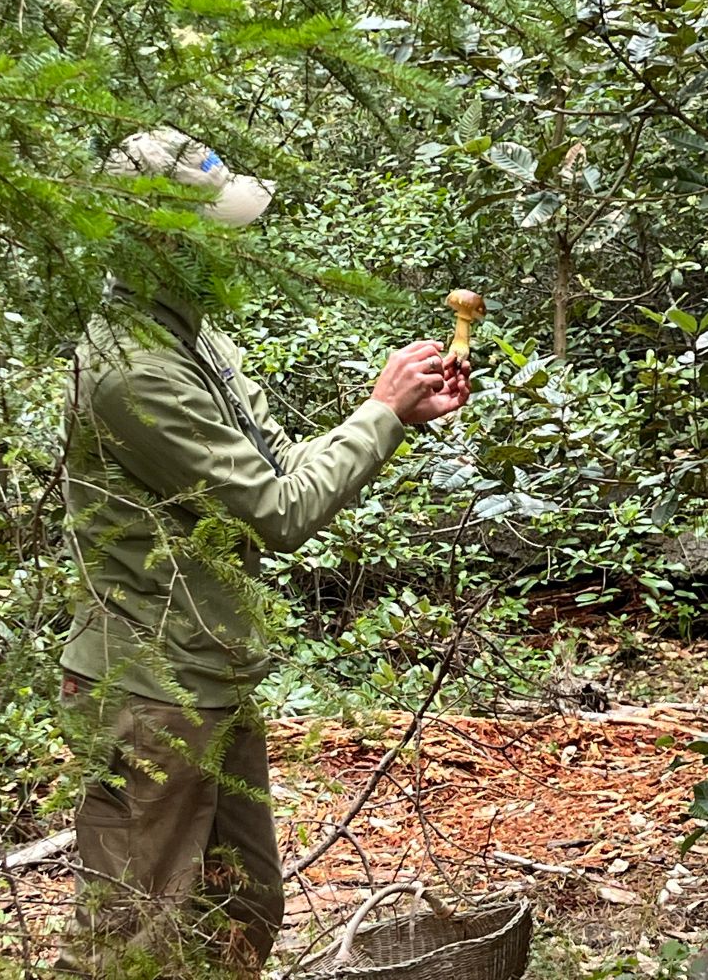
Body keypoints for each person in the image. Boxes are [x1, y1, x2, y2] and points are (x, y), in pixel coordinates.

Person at [57, 129, 471, 978]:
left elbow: (276, 471)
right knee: (132, 942)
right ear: (160, 242)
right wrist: (378, 414)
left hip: (208, 670)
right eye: (217, 234)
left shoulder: (190, 337)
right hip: (150, 690)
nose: (238, 249)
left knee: (239, 909)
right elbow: (278, 513)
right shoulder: (132, 371)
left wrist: (393, 414)